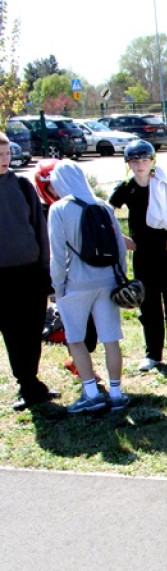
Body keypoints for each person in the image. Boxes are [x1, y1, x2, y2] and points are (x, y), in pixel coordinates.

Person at [47, 160, 130, 413]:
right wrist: (121, 278)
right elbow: (120, 247)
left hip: (76, 283)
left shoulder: (59, 209)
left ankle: (91, 393)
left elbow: (58, 255)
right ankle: (116, 393)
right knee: (110, 338)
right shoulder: (103, 206)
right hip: (107, 281)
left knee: (76, 339)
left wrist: (58, 286)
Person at [108, 140, 167, 374]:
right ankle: (153, 353)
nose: (140, 165)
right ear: (128, 163)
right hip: (142, 252)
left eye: (144, 160)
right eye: (135, 160)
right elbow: (106, 213)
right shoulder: (126, 187)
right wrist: (123, 239)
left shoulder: (165, 182)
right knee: (149, 303)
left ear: (152, 161)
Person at [0, 132, 58, 411]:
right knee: (13, 332)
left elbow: (40, 229)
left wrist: (45, 270)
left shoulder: (22, 186)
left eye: (7, 155)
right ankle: (25, 384)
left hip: (30, 272)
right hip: (3, 276)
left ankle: (32, 380)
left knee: (33, 328)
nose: (4, 160)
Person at [34, 159, 99, 380]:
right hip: (58, 276)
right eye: (52, 186)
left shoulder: (82, 206)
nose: (58, 189)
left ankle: (81, 359)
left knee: (90, 329)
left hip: (83, 276)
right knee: (73, 327)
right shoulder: (45, 211)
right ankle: (81, 366)